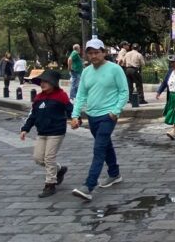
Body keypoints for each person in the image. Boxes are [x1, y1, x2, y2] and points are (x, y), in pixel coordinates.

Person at [70, 37, 129, 201]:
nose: (94, 56)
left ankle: (88, 186)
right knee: (105, 145)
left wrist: (116, 110)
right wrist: (75, 114)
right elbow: (81, 95)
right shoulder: (86, 72)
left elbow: (124, 91)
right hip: (92, 116)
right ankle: (115, 173)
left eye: (97, 52)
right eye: (90, 53)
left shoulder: (115, 69)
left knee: (99, 149)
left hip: (108, 115)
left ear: (104, 52)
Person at [20, 70, 72, 198]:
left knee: (49, 158)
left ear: (53, 83)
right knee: (38, 158)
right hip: (42, 132)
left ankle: (50, 184)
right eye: (41, 81)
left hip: (56, 131)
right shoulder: (38, 98)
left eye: (46, 81)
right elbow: (33, 115)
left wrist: (76, 119)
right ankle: (59, 169)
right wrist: (25, 129)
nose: (42, 84)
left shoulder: (61, 95)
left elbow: (70, 110)